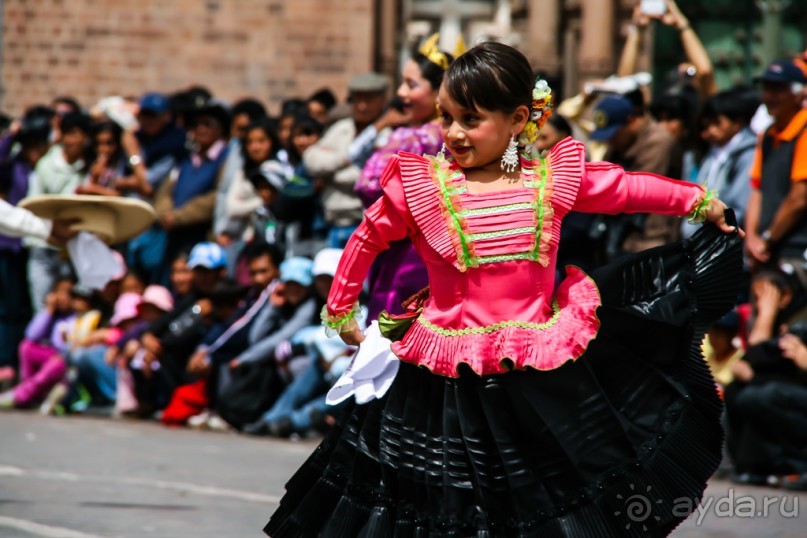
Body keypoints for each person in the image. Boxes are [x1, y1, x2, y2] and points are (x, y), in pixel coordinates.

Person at [264, 42, 743, 537]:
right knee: (436, 503)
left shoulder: (548, 181)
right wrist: (341, 310)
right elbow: (367, 237)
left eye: (470, 119)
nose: (453, 132)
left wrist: (700, 203)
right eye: (447, 116)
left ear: (517, 119)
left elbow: (624, 190)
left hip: (532, 376)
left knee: (535, 501)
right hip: (439, 379)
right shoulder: (425, 186)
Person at [354, 34, 450, 319]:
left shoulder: (426, 135)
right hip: (407, 249)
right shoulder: (430, 133)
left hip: (412, 255)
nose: (401, 94)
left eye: (411, 84)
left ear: (439, 92)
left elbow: (369, 185)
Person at [744, 60, 807, 284]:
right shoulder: (767, 134)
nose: (768, 96)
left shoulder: (804, 130)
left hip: (796, 251)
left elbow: (799, 198)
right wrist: (751, 238)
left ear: (799, 94)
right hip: (765, 251)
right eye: (766, 88)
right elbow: (756, 189)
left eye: (778, 90)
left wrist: (767, 239)